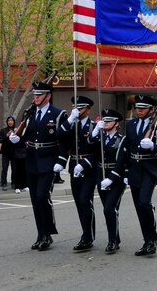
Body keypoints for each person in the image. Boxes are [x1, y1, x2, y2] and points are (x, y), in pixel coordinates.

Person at [9, 81, 68, 251]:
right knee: (35, 200)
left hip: (49, 162)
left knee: (43, 196)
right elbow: (26, 135)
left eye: (39, 95)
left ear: (48, 96)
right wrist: (16, 139)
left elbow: (63, 141)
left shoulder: (58, 114)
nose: (36, 97)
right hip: (32, 161)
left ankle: (48, 233)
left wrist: (61, 161)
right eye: (35, 95)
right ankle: (41, 234)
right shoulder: (31, 114)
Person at [120, 95, 157, 256]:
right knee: (139, 207)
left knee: (144, 202)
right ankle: (147, 240)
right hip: (134, 168)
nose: (138, 111)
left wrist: (152, 146)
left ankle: (152, 239)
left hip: (150, 168)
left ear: (151, 109)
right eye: (137, 108)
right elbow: (126, 149)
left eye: (142, 108)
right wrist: (125, 171)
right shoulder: (130, 124)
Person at [56, 95, 97, 252]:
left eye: (81, 108)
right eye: (76, 108)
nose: (78, 111)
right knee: (79, 202)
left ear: (88, 109)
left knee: (86, 200)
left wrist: (85, 164)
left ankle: (87, 236)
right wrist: (61, 161)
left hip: (88, 166)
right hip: (74, 164)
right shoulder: (70, 125)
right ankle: (86, 232)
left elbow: (96, 150)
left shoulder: (94, 126)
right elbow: (60, 138)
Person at [88, 108, 127, 254]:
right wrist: (94, 132)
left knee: (109, 208)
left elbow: (121, 162)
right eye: (104, 121)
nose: (105, 123)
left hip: (116, 179)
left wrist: (112, 178)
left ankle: (112, 241)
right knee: (109, 210)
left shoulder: (122, 139)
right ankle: (115, 238)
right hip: (101, 176)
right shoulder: (100, 138)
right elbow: (89, 145)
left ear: (116, 124)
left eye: (109, 121)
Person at [0, 116, 16, 190]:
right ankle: (3, 183)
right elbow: (0, 140)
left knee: (14, 168)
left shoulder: (16, 130)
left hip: (14, 152)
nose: (10, 122)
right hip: (5, 152)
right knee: (4, 168)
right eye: (9, 120)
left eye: (12, 120)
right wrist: (7, 135)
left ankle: (14, 183)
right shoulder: (3, 130)